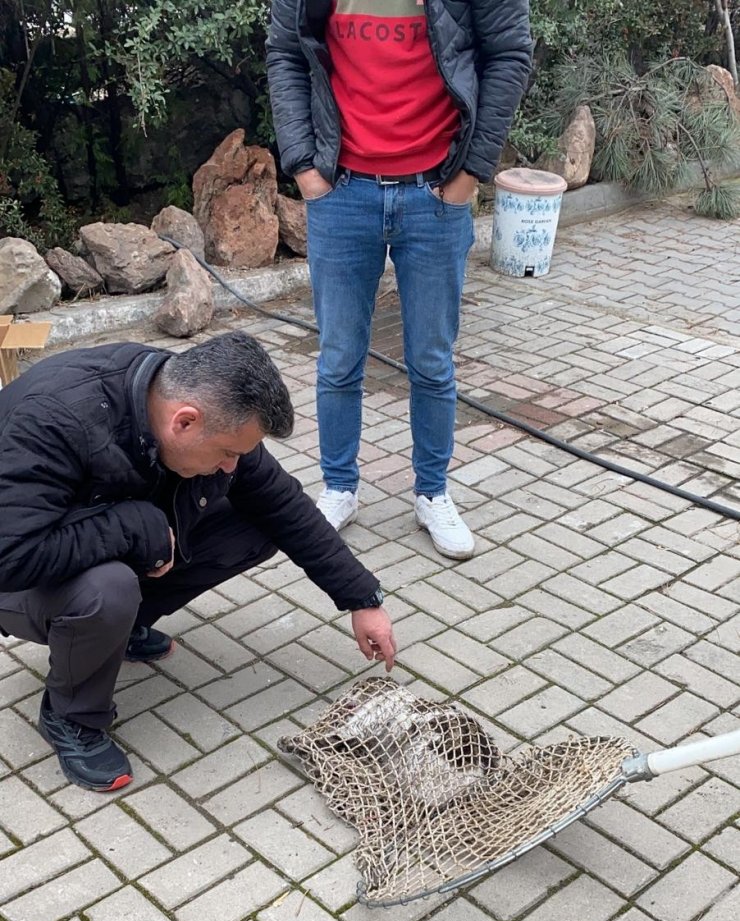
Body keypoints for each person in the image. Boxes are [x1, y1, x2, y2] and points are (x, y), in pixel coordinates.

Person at [0, 331, 396, 792]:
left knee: (256, 524)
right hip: (16, 576)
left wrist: (361, 598)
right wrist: (130, 527)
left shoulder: (197, 396)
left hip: (87, 542)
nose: (233, 466)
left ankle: (117, 632)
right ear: (184, 423)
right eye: (229, 453)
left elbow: (281, 503)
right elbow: (11, 555)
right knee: (107, 590)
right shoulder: (56, 418)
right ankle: (71, 714)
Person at [266, 0, 531, 560]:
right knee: (339, 356)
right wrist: (303, 167)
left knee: (431, 359)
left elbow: (509, 54)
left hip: (434, 192)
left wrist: (470, 174)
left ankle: (432, 493)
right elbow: (286, 53)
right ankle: (339, 487)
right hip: (342, 193)